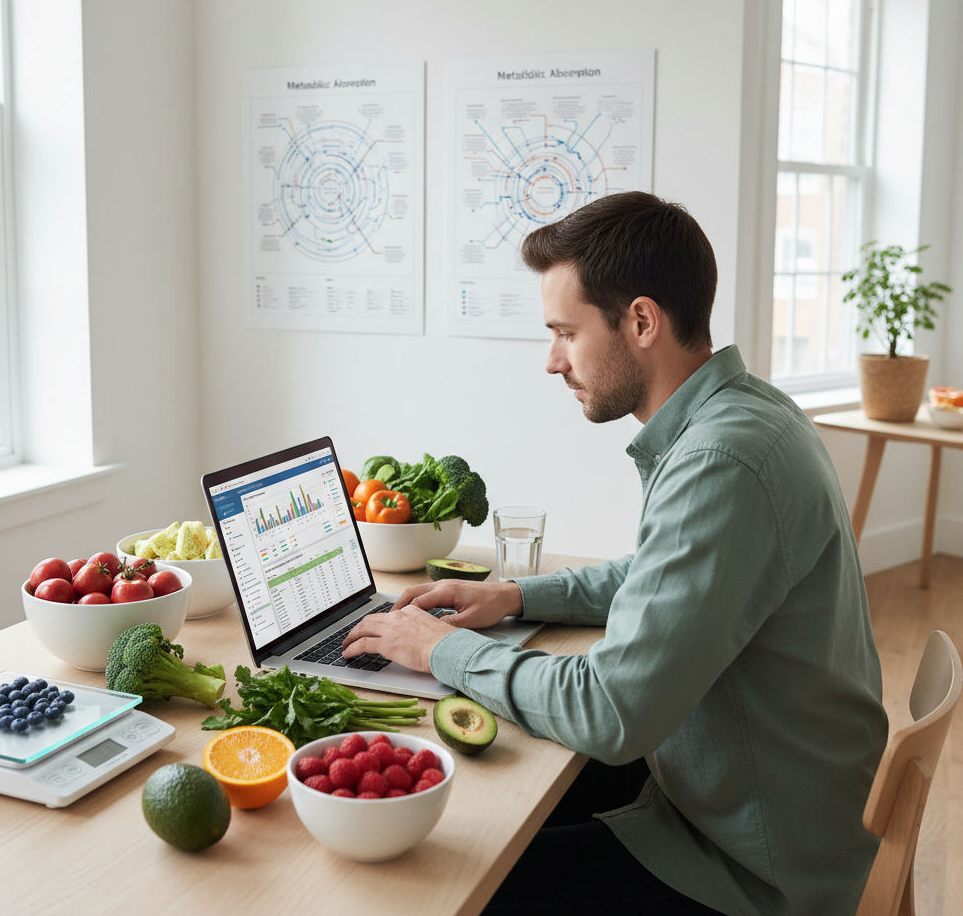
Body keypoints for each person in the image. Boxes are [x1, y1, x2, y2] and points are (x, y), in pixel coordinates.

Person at [342, 191, 888, 916]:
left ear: (640, 321)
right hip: (749, 804)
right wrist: (517, 597)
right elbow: (664, 576)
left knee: (454, 881)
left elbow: (609, 712)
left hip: (746, 867)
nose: (551, 360)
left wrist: (439, 649)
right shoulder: (751, 413)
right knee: (498, 800)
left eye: (566, 332)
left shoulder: (722, 460)